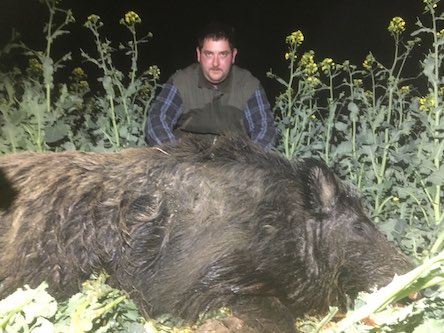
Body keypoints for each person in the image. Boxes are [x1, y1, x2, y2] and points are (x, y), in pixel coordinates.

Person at [145, 22, 276, 149]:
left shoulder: (248, 85)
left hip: (233, 163)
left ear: (233, 56)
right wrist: (173, 154)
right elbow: (158, 118)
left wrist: (250, 160)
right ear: (198, 54)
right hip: (186, 160)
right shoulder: (181, 81)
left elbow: (265, 129)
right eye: (209, 54)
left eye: (223, 54)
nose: (215, 63)